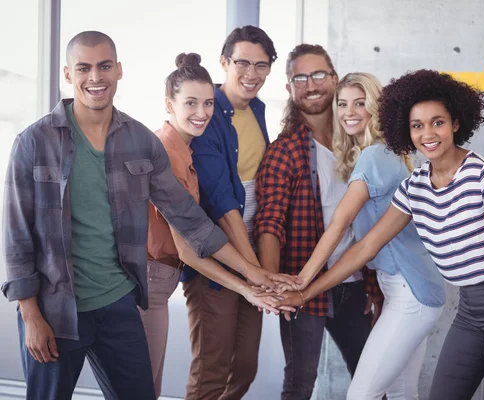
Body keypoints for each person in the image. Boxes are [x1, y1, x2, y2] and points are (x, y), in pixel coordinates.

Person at [0, 31, 283, 400]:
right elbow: (17, 237)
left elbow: (190, 219)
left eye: (104, 66)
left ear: (119, 70)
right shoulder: (34, 142)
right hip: (56, 310)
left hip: (119, 304)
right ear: (68, 74)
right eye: (83, 68)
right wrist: (30, 315)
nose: (95, 77)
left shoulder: (139, 140)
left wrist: (254, 274)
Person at [274, 69, 484, 400]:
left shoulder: (482, 175)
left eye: (438, 122)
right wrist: (306, 292)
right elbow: (366, 248)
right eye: (417, 125)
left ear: (456, 123)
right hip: (468, 309)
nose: (427, 133)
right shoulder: (415, 185)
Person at [268, 72, 446, 399]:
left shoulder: (375, 156)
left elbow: (341, 225)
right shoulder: (385, 153)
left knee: (362, 394)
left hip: (410, 292)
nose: (349, 111)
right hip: (410, 289)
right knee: (401, 393)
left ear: (375, 109)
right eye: (343, 103)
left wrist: (303, 281)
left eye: (360, 103)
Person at [140, 52, 292, 398]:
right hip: (147, 280)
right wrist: (249, 282)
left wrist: (254, 277)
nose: (202, 112)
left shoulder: (187, 152)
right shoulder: (164, 153)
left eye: (208, 103)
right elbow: (189, 248)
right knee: (146, 387)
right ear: (169, 104)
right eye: (190, 103)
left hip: (162, 281)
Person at [254, 45, 383, 400]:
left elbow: (369, 225)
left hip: (353, 284)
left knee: (372, 380)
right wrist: (273, 286)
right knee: (300, 384)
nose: (310, 85)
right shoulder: (286, 150)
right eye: (300, 77)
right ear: (290, 88)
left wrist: (374, 286)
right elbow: (269, 223)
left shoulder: (360, 145)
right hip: (301, 287)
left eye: (318, 75)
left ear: (334, 79)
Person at [183, 26, 280, 399]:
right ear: (224, 63)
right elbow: (223, 201)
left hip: (251, 251)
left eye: (262, 65)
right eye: (242, 63)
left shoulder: (257, 110)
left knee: (244, 368)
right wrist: (253, 270)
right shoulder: (208, 116)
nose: (251, 73)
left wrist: (260, 266)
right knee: (212, 372)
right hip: (219, 260)